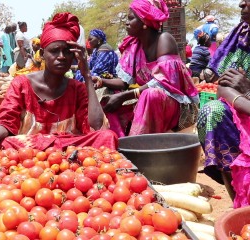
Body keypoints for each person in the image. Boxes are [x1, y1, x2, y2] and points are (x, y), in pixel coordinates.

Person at [0, 12, 118, 169]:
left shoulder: (77, 88)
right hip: (29, 153)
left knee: (107, 136)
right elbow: (6, 120)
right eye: (54, 51)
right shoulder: (21, 84)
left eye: (67, 51)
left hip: (69, 154)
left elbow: (98, 126)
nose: (62, 57)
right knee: (3, 142)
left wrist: (86, 75)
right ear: (43, 53)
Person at [98, 0, 199, 137]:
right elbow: (124, 82)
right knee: (107, 95)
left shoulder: (164, 40)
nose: (126, 23)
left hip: (175, 106)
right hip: (146, 100)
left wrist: (124, 95)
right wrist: (100, 81)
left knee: (150, 94)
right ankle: (118, 139)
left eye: (131, 19)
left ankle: (138, 145)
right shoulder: (135, 47)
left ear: (144, 22)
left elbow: (162, 82)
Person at [197, 1, 250, 207]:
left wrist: (246, 90)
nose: (241, 4)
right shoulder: (242, 34)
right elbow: (223, 87)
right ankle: (240, 204)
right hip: (243, 114)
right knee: (213, 111)